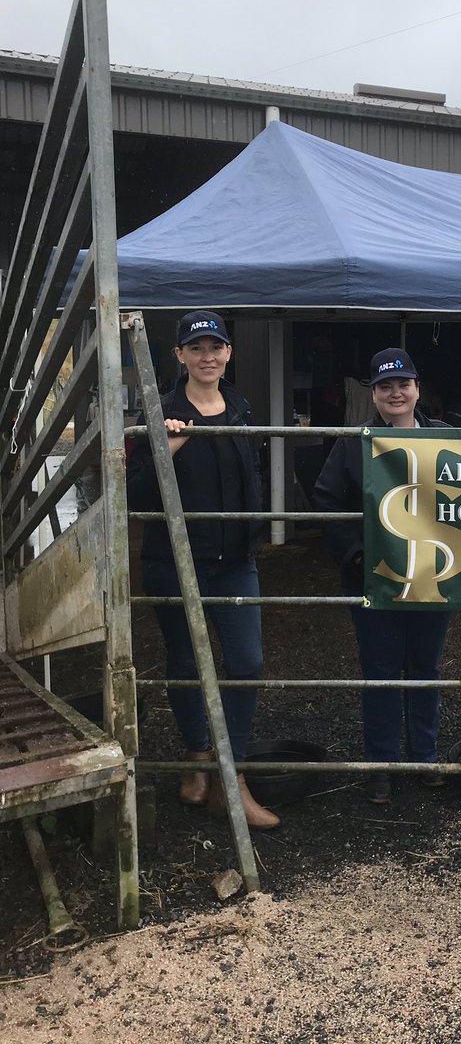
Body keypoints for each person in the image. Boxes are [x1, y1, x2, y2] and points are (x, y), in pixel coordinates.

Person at [127, 311, 279, 830]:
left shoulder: (240, 407)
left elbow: (249, 477)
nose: (207, 356)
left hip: (235, 560)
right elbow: (135, 494)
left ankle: (227, 773)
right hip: (175, 559)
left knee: (246, 661)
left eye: (216, 347)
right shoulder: (159, 410)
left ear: (228, 353)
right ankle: (195, 755)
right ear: (179, 356)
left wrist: (254, 533)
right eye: (196, 348)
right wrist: (167, 446)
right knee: (186, 661)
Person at [312, 348, 452, 805]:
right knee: (381, 669)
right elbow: (326, 500)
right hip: (374, 578)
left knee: (427, 667)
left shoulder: (448, 438)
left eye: (403, 384)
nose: (396, 393)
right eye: (385, 386)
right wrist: (354, 555)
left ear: (418, 389)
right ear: (373, 395)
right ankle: (381, 764)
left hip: (434, 576)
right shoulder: (354, 444)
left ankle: (424, 757)